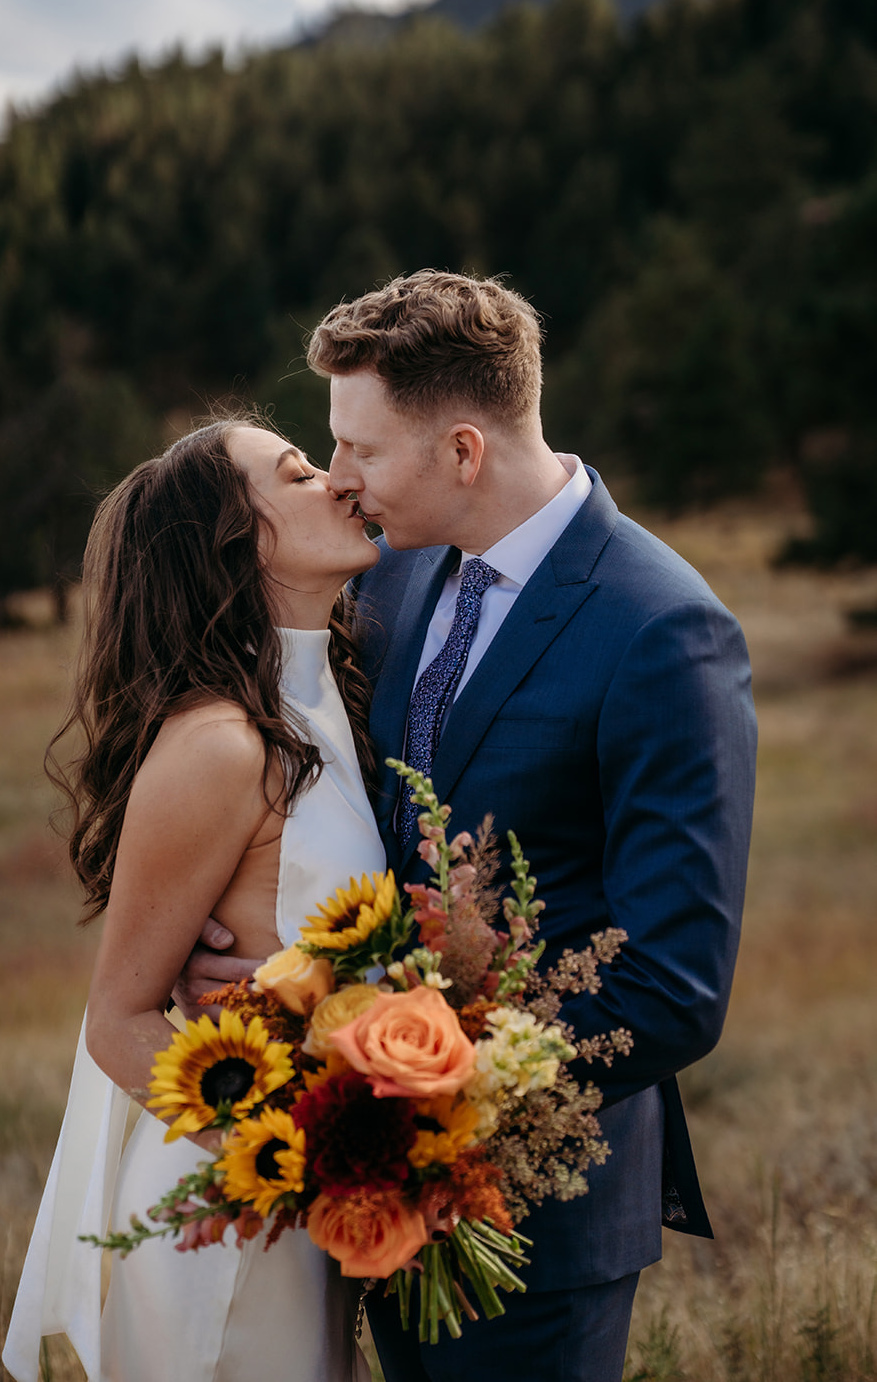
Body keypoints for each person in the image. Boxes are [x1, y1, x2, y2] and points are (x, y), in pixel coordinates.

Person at [182, 271, 757, 1382]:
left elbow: (675, 985)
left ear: (461, 450)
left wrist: (408, 1098)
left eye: (360, 449)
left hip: (537, 1219)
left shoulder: (662, 630)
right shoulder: (392, 577)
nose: (338, 480)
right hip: (367, 1203)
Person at [2, 417, 385, 1382]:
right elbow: (119, 1018)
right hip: (226, 1217)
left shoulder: (323, 698)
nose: (339, 481)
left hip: (298, 1211)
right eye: (299, 474)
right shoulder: (220, 744)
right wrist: (295, 1163)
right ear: (233, 544)